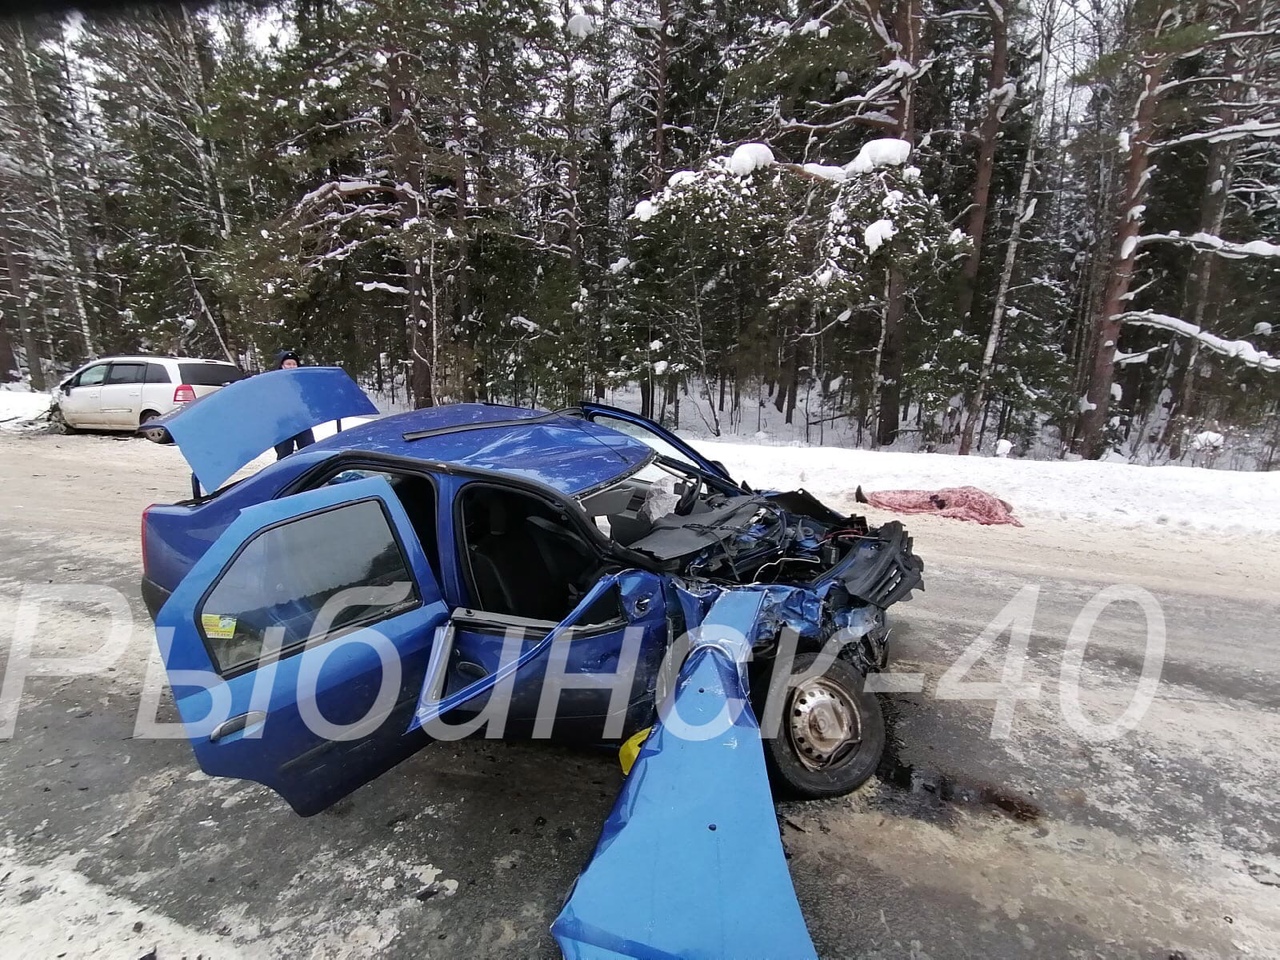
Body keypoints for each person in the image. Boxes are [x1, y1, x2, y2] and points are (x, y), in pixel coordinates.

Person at [272, 349, 315, 459]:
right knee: (284, 455)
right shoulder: (274, 382)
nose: (291, 366)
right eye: (288, 364)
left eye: (294, 364)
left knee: (310, 450)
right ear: (282, 365)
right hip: (283, 423)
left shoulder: (302, 381)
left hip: (302, 421)